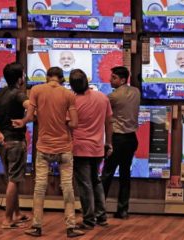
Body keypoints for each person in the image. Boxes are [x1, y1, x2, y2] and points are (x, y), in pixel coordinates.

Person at [12, 67, 84, 238]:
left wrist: (22, 122)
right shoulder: (68, 95)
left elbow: (29, 117)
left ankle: (36, 226)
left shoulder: (36, 90)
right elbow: (74, 123)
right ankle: (71, 227)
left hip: (43, 147)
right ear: (61, 78)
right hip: (64, 147)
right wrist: (64, 120)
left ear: (47, 77)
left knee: (39, 187)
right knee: (67, 187)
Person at [0, 63, 30, 229]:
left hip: (2, 143)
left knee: (11, 179)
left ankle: (17, 214)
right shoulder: (19, 95)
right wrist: (26, 119)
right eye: (23, 75)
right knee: (14, 180)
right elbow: (31, 107)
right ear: (20, 78)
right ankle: (7, 219)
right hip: (16, 143)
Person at [69, 69, 113, 230]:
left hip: (79, 148)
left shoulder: (72, 102)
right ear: (87, 81)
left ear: (72, 86)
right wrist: (109, 143)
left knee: (85, 185)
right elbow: (109, 122)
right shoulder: (102, 97)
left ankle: (88, 220)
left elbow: (68, 125)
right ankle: (101, 216)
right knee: (96, 181)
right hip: (98, 148)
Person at [101, 66, 140, 219]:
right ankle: (123, 210)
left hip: (117, 139)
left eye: (114, 77)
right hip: (132, 139)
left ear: (122, 80)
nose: (110, 80)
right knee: (125, 175)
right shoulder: (136, 92)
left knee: (107, 174)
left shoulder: (113, 97)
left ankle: (99, 209)